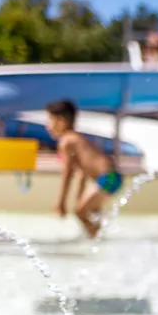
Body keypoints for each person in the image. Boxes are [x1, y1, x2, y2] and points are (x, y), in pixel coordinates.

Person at [46, 99, 123, 238]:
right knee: (92, 213)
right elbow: (82, 173)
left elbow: (67, 173)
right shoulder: (77, 138)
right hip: (112, 177)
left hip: (107, 178)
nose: (47, 126)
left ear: (60, 121)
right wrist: (79, 198)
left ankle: (97, 242)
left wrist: (61, 201)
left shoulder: (67, 141)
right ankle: (99, 240)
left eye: (49, 121)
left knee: (80, 213)